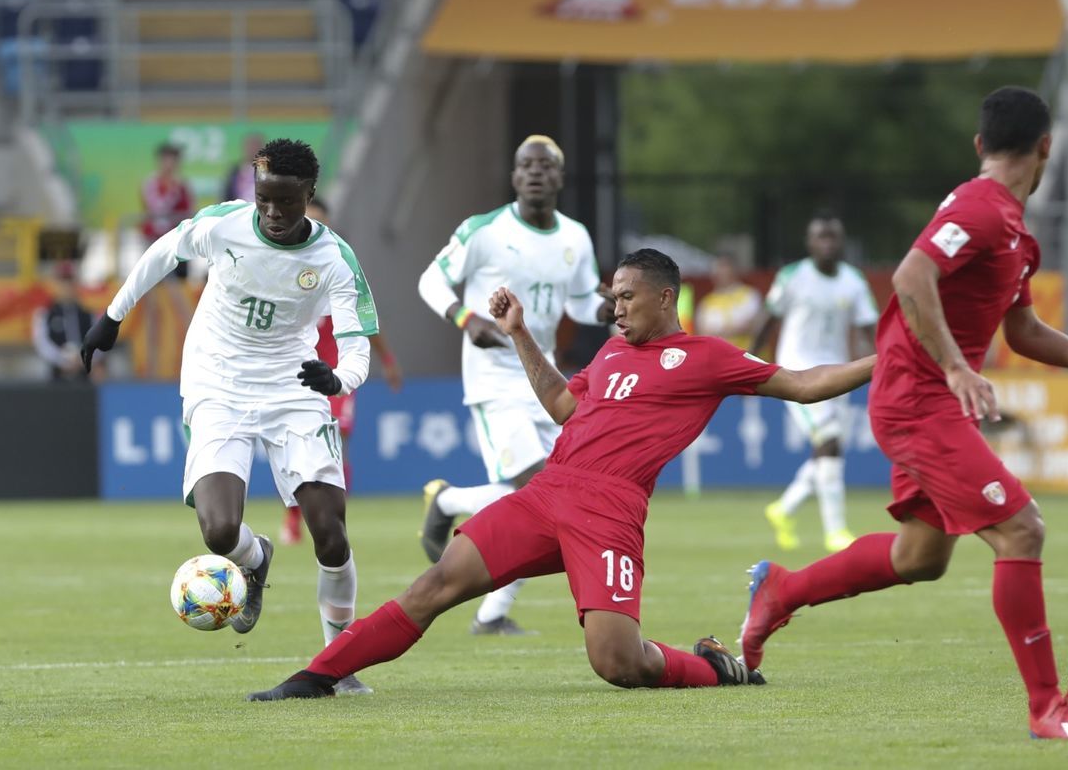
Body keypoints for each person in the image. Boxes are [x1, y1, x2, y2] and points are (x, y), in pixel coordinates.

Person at [245, 248, 876, 701]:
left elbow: (803, 384)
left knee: (618, 663)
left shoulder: (707, 356)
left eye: (626, 296)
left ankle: (716, 668)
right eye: (611, 296)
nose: (615, 306)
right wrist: (520, 335)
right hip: (548, 492)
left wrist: (888, 358)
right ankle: (316, 676)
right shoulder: (610, 351)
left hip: (610, 510)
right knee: (435, 583)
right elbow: (564, 407)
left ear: (665, 296)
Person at [737, 87, 1068, 740]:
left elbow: (1023, 332)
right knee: (1022, 530)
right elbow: (912, 277)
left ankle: (780, 590)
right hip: (919, 400)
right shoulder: (980, 207)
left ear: (980, 145)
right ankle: (1047, 707)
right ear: (1047, 149)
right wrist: (956, 365)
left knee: (921, 557)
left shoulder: (1014, 234)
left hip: (931, 400)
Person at [80, 139, 378, 695]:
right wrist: (113, 316)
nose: (272, 213)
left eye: (285, 202)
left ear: (309, 196)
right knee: (219, 531)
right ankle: (255, 556)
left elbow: (357, 339)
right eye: (263, 199)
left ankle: (340, 662)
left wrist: (342, 380)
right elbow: (163, 252)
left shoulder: (335, 258)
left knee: (330, 536)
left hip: (292, 388)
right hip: (217, 381)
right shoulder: (223, 225)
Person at [413, 135, 613, 635]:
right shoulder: (484, 231)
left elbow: (581, 301)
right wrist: (464, 317)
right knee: (540, 487)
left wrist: (607, 308)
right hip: (494, 379)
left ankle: (488, 606)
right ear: (514, 176)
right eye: (526, 165)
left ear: (560, 178)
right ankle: (447, 507)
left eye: (546, 166)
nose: (535, 173)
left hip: (543, 378)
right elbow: (430, 281)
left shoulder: (575, 237)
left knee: (558, 494)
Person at [281, 197, 404, 545]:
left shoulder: (340, 268)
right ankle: (293, 517)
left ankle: (334, 517)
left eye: (321, 222)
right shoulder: (281, 269)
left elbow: (367, 323)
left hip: (336, 375)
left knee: (338, 444)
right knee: (297, 451)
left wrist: (389, 361)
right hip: (296, 375)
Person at [751, 217, 877, 553]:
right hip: (796, 374)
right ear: (809, 243)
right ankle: (835, 532)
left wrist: (884, 362)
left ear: (842, 241)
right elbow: (769, 317)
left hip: (836, 374)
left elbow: (869, 328)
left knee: (827, 452)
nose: (828, 243)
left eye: (833, 237)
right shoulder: (793, 277)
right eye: (821, 237)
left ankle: (784, 508)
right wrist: (749, 361)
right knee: (829, 441)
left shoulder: (853, 282)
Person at [139, 142, 195, 280]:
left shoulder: (183, 185)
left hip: (178, 240)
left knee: (179, 278)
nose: (170, 164)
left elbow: (189, 210)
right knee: (151, 280)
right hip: (153, 239)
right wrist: (172, 191)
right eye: (166, 160)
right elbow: (155, 207)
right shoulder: (150, 183)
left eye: (173, 160)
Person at [31, 261, 93, 382]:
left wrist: (83, 359)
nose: (67, 286)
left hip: (84, 371)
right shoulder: (44, 314)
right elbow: (42, 343)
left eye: (70, 281)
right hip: (56, 373)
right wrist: (62, 359)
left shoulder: (88, 314)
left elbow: (99, 341)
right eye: (63, 281)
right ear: (55, 284)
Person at [694, 253, 761, 350]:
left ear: (734, 270)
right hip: (719, 359)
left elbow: (754, 326)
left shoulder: (750, 295)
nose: (721, 272)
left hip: (748, 357)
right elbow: (702, 333)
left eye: (724, 267)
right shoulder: (707, 302)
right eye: (718, 268)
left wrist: (718, 332)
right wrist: (736, 329)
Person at [221, 132, 265, 204]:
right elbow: (227, 195)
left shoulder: (269, 170)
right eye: (251, 146)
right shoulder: (234, 170)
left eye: (256, 146)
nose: (253, 149)